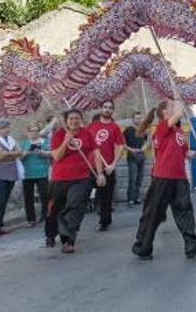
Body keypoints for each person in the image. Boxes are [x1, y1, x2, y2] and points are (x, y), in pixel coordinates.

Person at [131, 91, 196, 260]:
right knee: (153, 213)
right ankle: (143, 247)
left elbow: (185, 153)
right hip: (162, 177)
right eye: (172, 107)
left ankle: (192, 244)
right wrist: (177, 100)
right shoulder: (161, 128)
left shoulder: (179, 132)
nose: (175, 109)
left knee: (185, 211)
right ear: (165, 113)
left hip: (179, 177)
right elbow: (178, 114)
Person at [46, 109, 107, 253]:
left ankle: (68, 240)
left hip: (81, 178)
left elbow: (96, 153)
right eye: (71, 118)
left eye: (77, 118)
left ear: (81, 119)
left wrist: (100, 173)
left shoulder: (87, 133)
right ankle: (50, 234)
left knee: (76, 206)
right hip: (59, 178)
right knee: (53, 210)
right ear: (66, 120)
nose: (74, 121)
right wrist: (66, 142)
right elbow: (57, 157)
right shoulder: (59, 135)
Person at [88, 100, 125, 231]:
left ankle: (104, 221)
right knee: (81, 193)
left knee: (106, 197)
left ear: (112, 111)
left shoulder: (115, 127)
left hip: (107, 166)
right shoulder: (91, 126)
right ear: (100, 108)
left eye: (110, 108)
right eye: (105, 107)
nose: (107, 109)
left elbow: (121, 146)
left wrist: (113, 164)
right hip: (91, 166)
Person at [0, 119, 24, 238]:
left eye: (9, 127)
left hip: (10, 174)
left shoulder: (11, 140)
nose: (9, 129)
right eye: (6, 127)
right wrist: (13, 153)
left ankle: (0, 225)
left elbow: (21, 152)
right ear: (0, 129)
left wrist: (8, 153)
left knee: (4, 200)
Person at [20, 121, 51, 227]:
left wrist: (41, 152)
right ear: (27, 132)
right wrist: (26, 153)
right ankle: (31, 219)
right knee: (28, 197)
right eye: (32, 131)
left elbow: (51, 154)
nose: (34, 133)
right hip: (27, 173)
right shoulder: (23, 143)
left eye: (36, 131)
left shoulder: (44, 141)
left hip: (42, 172)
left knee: (44, 195)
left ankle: (45, 215)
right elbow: (18, 158)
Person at [123, 111, 147, 208]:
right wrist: (131, 150)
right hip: (132, 157)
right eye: (137, 118)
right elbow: (122, 144)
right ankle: (130, 199)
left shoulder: (143, 130)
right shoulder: (127, 130)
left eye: (140, 118)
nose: (139, 120)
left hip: (142, 156)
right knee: (132, 179)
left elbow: (148, 142)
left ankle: (137, 198)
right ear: (132, 119)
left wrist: (144, 147)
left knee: (139, 179)